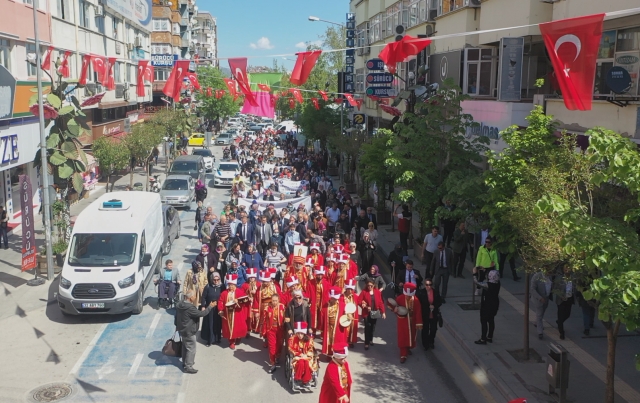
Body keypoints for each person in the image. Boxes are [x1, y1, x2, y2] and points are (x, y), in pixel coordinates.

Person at [175, 290, 212, 374]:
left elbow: (176, 317)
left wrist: (177, 326)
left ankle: (185, 362)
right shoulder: (190, 308)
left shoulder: (179, 305)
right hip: (189, 331)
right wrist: (210, 307)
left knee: (185, 347)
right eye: (194, 296)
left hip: (182, 330)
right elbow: (201, 314)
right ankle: (188, 366)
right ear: (191, 297)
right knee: (191, 349)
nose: (195, 297)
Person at [217, 274, 249, 350]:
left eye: (232, 285)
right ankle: (231, 341)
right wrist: (220, 310)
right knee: (229, 328)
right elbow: (220, 301)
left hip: (237, 312)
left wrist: (238, 301)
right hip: (228, 314)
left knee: (239, 327)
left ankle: (238, 337)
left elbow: (245, 300)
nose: (231, 287)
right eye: (229, 285)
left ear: (235, 284)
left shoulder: (239, 292)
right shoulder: (224, 293)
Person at [393, 283, 423, 363]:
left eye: (410, 296)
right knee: (403, 337)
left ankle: (407, 348)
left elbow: (418, 312)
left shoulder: (416, 300)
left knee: (411, 336)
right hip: (402, 321)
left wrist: (418, 322)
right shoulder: (399, 298)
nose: (408, 297)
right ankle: (403, 354)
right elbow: (392, 305)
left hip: (412, 322)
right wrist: (394, 309)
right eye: (407, 295)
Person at [474, 269, 501, 344]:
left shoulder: (487, 285)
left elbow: (477, 282)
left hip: (486, 305)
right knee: (491, 320)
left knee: (484, 321)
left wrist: (474, 274)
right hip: (495, 304)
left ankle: (483, 339)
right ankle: (489, 337)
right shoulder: (498, 283)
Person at [358, 277, 386, 350]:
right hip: (366, 313)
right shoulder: (364, 292)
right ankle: (366, 343)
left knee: (373, 326)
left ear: (374, 285)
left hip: (375, 312)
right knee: (367, 326)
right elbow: (359, 300)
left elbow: (380, 303)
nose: (369, 287)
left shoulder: (377, 292)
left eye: (371, 285)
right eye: (368, 285)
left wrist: (383, 312)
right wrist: (364, 305)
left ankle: (370, 340)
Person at [262, 293, 286, 373]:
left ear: (278, 300)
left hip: (280, 329)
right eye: (273, 301)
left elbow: (286, 318)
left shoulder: (282, 307)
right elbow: (265, 321)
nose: (274, 302)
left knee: (279, 345)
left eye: (276, 301)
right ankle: (272, 364)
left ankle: (277, 356)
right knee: (272, 347)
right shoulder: (267, 308)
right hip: (271, 330)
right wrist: (264, 331)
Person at [320, 287, 347, 357]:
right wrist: (322, 327)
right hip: (328, 326)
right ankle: (329, 354)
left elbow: (345, 316)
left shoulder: (342, 305)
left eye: (334, 299)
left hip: (338, 326)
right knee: (329, 340)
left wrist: (348, 316)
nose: (333, 300)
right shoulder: (325, 306)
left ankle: (337, 354)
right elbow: (322, 316)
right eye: (332, 298)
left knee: (337, 340)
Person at [288, 322, 316, 387]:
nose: (300, 335)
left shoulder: (309, 339)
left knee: (306, 363)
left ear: (304, 333)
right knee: (300, 363)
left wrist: (306, 355)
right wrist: (299, 354)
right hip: (297, 357)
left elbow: (311, 349)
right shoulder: (292, 339)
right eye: (298, 333)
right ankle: (297, 379)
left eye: (301, 333)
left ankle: (306, 380)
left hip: (307, 356)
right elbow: (290, 348)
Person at [416, 278, 441, 350]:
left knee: (433, 329)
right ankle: (425, 344)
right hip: (425, 314)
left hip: (433, 314)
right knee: (425, 330)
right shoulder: (421, 292)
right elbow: (418, 304)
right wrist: (427, 306)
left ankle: (431, 342)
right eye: (427, 285)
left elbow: (439, 302)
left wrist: (435, 306)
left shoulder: (435, 292)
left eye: (430, 285)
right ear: (424, 285)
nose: (428, 286)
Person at [200, 272, 225, 346]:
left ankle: (217, 339)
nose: (216, 281)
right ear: (212, 279)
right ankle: (209, 340)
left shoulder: (222, 286)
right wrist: (203, 306)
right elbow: (203, 297)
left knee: (218, 323)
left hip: (218, 308)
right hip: (209, 308)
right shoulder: (208, 286)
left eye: (218, 280)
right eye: (214, 280)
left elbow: (225, 296)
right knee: (210, 324)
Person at [553, 264, 575, 340]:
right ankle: (561, 332)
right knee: (560, 315)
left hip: (569, 299)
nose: (567, 270)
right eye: (565, 269)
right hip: (561, 300)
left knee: (567, 314)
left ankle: (559, 322)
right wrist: (561, 296)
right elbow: (555, 289)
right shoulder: (559, 278)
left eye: (568, 269)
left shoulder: (573, 278)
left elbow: (574, 288)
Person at [530, 270, 552, 339]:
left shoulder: (550, 277)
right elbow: (533, 289)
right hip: (538, 299)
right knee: (539, 314)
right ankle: (540, 332)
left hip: (546, 298)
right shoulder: (537, 276)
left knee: (542, 312)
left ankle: (537, 322)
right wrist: (540, 298)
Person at [309, 265, 330, 336]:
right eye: (318, 275)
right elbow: (308, 293)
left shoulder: (326, 283)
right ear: (316, 274)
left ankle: (322, 332)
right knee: (313, 317)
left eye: (321, 275)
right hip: (314, 302)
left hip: (322, 302)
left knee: (322, 317)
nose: (320, 276)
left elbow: (328, 293)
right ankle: (313, 332)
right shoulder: (310, 282)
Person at [242, 267, 261, 333]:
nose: (251, 279)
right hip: (248, 303)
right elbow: (242, 294)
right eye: (250, 277)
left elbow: (261, 293)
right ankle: (248, 330)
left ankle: (256, 328)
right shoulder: (245, 285)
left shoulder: (259, 284)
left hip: (256, 302)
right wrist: (248, 297)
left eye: (252, 277)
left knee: (256, 315)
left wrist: (256, 292)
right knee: (249, 316)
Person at [342, 279, 359, 348]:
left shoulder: (354, 296)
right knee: (345, 329)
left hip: (352, 315)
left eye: (351, 289)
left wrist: (363, 303)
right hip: (344, 315)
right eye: (348, 289)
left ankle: (350, 341)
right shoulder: (342, 297)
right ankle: (344, 341)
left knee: (352, 329)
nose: (350, 291)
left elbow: (360, 300)